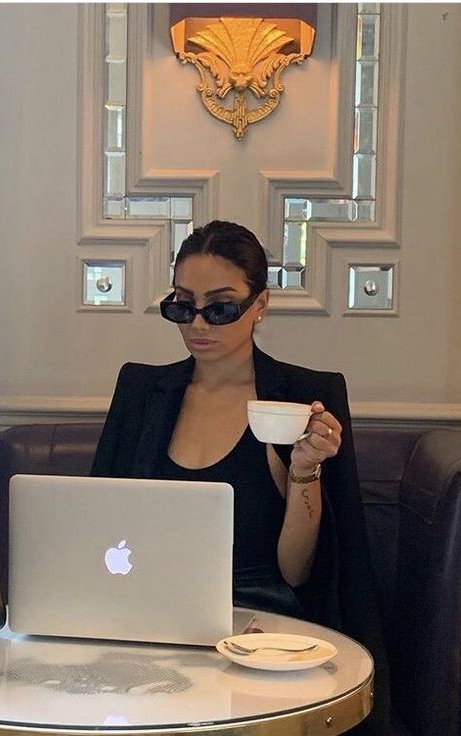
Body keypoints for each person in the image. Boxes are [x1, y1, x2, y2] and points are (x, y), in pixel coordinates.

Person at [91, 220, 390, 734]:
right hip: (152, 626)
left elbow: (299, 573)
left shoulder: (302, 398)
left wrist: (305, 470)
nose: (199, 325)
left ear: (261, 304)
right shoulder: (142, 392)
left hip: (265, 632)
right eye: (182, 306)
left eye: (221, 307)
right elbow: (99, 529)